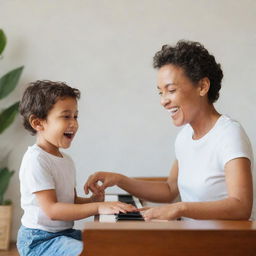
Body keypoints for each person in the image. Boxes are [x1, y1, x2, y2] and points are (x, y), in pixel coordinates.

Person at [85, 40, 254, 221]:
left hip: (226, 244)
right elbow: (169, 190)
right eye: (160, 92)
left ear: (203, 86)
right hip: (191, 239)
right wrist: (120, 180)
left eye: (171, 90)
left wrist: (180, 209)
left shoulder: (229, 134)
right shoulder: (185, 137)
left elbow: (241, 206)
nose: (163, 101)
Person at [17, 80, 136, 256]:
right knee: (90, 251)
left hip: (63, 234)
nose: (74, 123)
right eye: (66, 116)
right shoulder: (36, 160)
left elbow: (69, 202)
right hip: (39, 240)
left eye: (75, 116)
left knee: (109, 244)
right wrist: (98, 208)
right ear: (38, 123)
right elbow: (53, 210)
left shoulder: (66, 160)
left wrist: (93, 201)